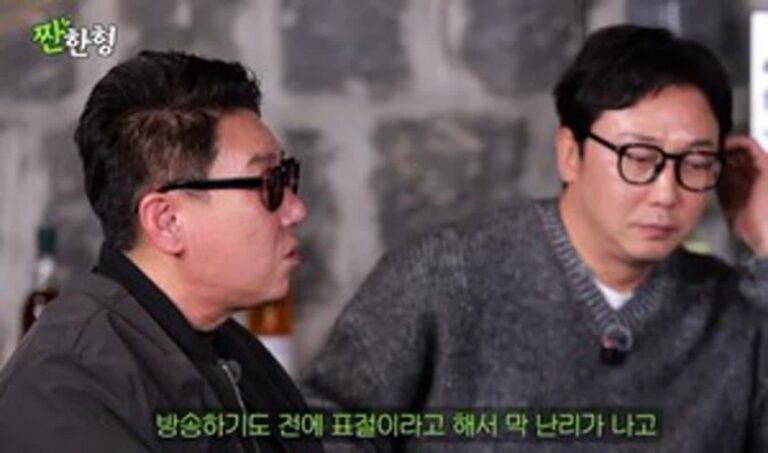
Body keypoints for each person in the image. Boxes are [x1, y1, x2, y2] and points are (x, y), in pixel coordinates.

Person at [300, 24, 768, 452]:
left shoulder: (735, 313)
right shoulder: (444, 275)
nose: (666, 193)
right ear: (570, 154)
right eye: (639, 158)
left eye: (696, 164)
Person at [0, 51, 323, 452]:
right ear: (166, 221)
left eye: (287, 177)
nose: (296, 209)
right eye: (268, 184)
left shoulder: (228, 349)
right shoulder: (67, 391)